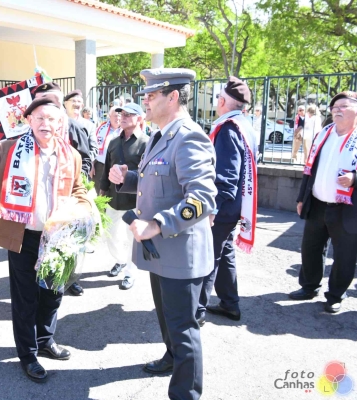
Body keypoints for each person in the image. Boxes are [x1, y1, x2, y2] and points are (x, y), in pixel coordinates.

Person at [0, 94, 91, 383]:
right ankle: (28, 353)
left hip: (58, 238)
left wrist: (84, 208)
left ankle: (45, 340)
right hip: (23, 236)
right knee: (25, 298)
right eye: (40, 117)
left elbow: (78, 189)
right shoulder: (10, 148)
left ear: (60, 123)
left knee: (53, 294)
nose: (46, 123)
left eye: (52, 118)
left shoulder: (70, 154)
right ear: (29, 120)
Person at [109, 68, 216, 400]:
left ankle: (186, 393)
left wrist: (155, 224)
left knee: (183, 329)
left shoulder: (188, 136)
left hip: (180, 251)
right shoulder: (161, 135)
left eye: (152, 95)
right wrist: (127, 178)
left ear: (173, 97)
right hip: (160, 250)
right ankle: (171, 358)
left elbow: (202, 198)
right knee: (168, 319)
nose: (145, 101)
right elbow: (158, 182)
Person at [291, 91, 357, 313]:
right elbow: (309, 169)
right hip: (317, 202)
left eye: (343, 106)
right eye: (334, 107)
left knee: (344, 255)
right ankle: (309, 286)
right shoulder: (324, 133)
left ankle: (335, 295)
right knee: (311, 248)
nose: (337, 110)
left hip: (348, 208)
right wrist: (302, 198)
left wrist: (356, 178)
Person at [197, 77, 259, 325]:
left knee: (208, 256)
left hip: (223, 207)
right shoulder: (244, 125)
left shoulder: (228, 128)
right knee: (225, 253)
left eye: (217, 98)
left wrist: (212, 208)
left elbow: (226, 177)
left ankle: (197, 311)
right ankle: (230, 303)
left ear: (222, 101)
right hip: (235, 205)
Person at [33, 83, 92, 296]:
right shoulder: (27, 131)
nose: (47, 103)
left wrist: (72, 180)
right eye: (41, 99)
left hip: (65, 200)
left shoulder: (73, 126)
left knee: (65, 245)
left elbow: (85, 158)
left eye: (53, 99)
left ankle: (69, 279)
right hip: (36, 208)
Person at [100, 102, 148, 290]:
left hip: (134, 201)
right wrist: (102, 191)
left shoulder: (146, 143)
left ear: (139, 118)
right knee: (110, 235)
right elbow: (106, 169)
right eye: (122, 114)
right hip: (113, 199)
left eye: (129, 114)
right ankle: (121, 260)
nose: (123, 117)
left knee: (132, 239)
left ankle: (130, 272)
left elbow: (148, 174)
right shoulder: (113, 142)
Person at [93, 107, 121, 184]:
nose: (118, 118)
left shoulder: (125, 130)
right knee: (100, 189)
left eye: (119, 115)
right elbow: (93, 147)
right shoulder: (100, 129)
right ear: (109, 116)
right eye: (115, 115)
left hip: (118, 168)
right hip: (101, 166)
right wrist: (92, 164)